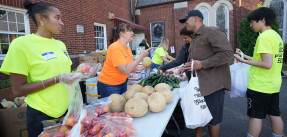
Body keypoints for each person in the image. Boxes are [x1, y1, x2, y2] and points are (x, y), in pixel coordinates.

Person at [0, 1, 79, 137]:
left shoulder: (60, 44)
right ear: (41, 18)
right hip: (41, 115)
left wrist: (80, 73)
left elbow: (64, 73)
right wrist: (57, 79)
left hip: (67, 111)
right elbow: (18, 90)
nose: (62, 23)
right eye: (57, 18)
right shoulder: (21, 45)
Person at [179, 9, 233, 137]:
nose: (185, 23)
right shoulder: (195, 37)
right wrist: (186, 67)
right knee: (200, 114)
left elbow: (227, 54)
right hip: (200, 85)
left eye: (186, 20)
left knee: (213, 120)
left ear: (196, 18)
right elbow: (196, 58)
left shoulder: (212, 32)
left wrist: (202, 64)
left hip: (214, 85)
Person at [234, 7, 284, 137]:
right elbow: (263, 59)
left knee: (255, 116)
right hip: (273, 84)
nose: (251, 25)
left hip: (259, 86)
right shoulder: (276, 36)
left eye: (252, 22)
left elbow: (267, 64)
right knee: (274, 114)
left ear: (262, 20)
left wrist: (243, 62)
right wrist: (244, 56)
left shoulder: (264, 37)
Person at [97, 23, 151, 98]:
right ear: (121, 34)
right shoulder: (115, 47)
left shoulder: (127, 48)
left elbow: (131, 66)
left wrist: (142, 67)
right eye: (130, 31)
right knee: (114, 108)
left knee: (121, 106)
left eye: (132, 31)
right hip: (109, 85)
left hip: (122, 82)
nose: (132, 33)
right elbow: (125, 70)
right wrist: (140, 57)